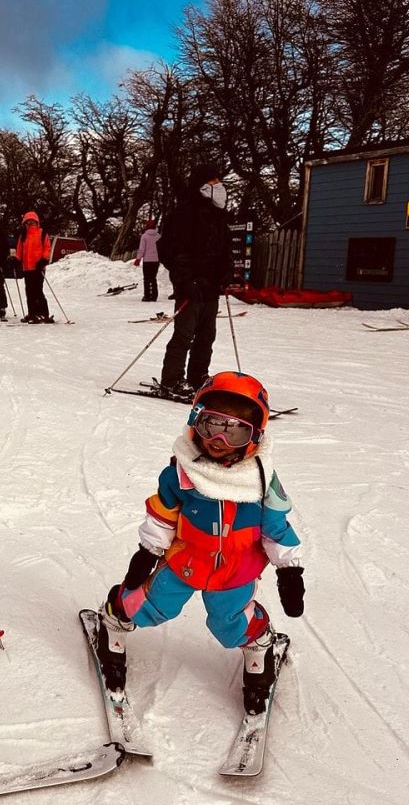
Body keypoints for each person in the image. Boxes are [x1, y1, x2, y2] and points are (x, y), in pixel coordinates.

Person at [94, 371, 304, 716]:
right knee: (151, 604)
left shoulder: (261, 481)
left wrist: (289, 570)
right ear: (195, 420)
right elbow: (163, 515)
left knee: (230, 621)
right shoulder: (182, 472)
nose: (219, 438)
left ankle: (258, 645)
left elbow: (276, 529)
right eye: (210, 424)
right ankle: (115, 619)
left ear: (255, 437)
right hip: (185, 560)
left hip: (236, 570)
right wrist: (148, 551)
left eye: (235, 430)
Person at [158, 163, 232, 399]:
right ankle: (172, 379)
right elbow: (172, 250)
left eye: (219, 182)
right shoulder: (183, 213)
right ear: (201, 187)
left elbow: (224, 249)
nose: (218, 187)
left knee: (207, 335)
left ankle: (198, 375)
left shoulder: (219, 216)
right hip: (190, 285)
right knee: (184, 334)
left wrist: (226, 271)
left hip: (211, 286)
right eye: (213, 183)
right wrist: (186, 279)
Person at [15, 210, 52, 323]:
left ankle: (43, 313)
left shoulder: (42, 233)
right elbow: (19, 250)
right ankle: (32, 314)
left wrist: (43, 260)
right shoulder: (23, 235)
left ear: (37, 222)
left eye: (32, 221)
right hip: (27, 268)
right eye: (28, 222)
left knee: (38, 291)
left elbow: (47, 248)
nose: (30, 224)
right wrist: (16, 260)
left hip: (38, 267)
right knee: (29, 292)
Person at [135, 219, 161, 302]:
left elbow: (142, 249)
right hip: (156, 260)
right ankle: (154, 296)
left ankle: (147, 296)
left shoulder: (144, 236)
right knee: (153, 278)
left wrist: (138, 259)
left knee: (146, 278)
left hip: (147, 261)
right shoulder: (158, 236)